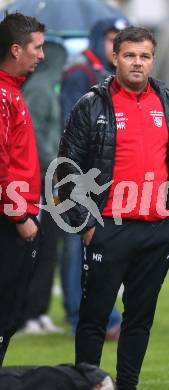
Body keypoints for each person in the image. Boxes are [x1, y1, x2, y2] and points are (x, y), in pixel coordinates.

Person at [58, 26, 169, 389]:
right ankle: (87, 384)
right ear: (115, 57)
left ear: (152, 60)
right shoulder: (92, 104)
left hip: (156, 230)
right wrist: (86, 223)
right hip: (107, 228)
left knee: (140, 319)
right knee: (94, 318)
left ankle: (127, 386)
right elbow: (66, 169)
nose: (137, 62)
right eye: (130, 55)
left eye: (145, 56)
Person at [60, 17, 128, 337]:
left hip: (102, 173)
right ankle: (81, 317)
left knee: (98, 245)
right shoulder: (80, 72)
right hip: (79, 172)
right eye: (112, 39)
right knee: (80, 245)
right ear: (99, 38)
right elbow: (72, 125)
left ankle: (101, 315)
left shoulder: (108, 75)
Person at [0, 12, 45, 364]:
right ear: (16, 50)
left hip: (18, 214)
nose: (41, 55)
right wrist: (20, 216)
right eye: (37, 48)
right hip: (10, 220)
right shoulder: (2, 95)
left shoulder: (12, 91)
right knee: (5, 313)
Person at [18, 37, 67, 334]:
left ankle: (39, 311)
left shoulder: (46, 89)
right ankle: (28, 313)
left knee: (50, 246)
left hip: (48, 178)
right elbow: (34, 138)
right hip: (40, 181)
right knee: (39, 247)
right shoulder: (38, 91)